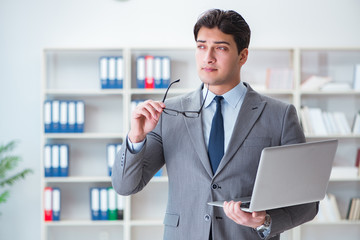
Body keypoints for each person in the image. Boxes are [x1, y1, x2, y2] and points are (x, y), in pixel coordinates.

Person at [112, 9, 318, 240]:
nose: (207, 57)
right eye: (201, 46)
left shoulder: (279, 115)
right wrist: (136, 137)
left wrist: (265, 220)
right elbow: (125, 186)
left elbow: (307, 202)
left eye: (220, 48)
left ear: (243, 56)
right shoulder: (168, 114)